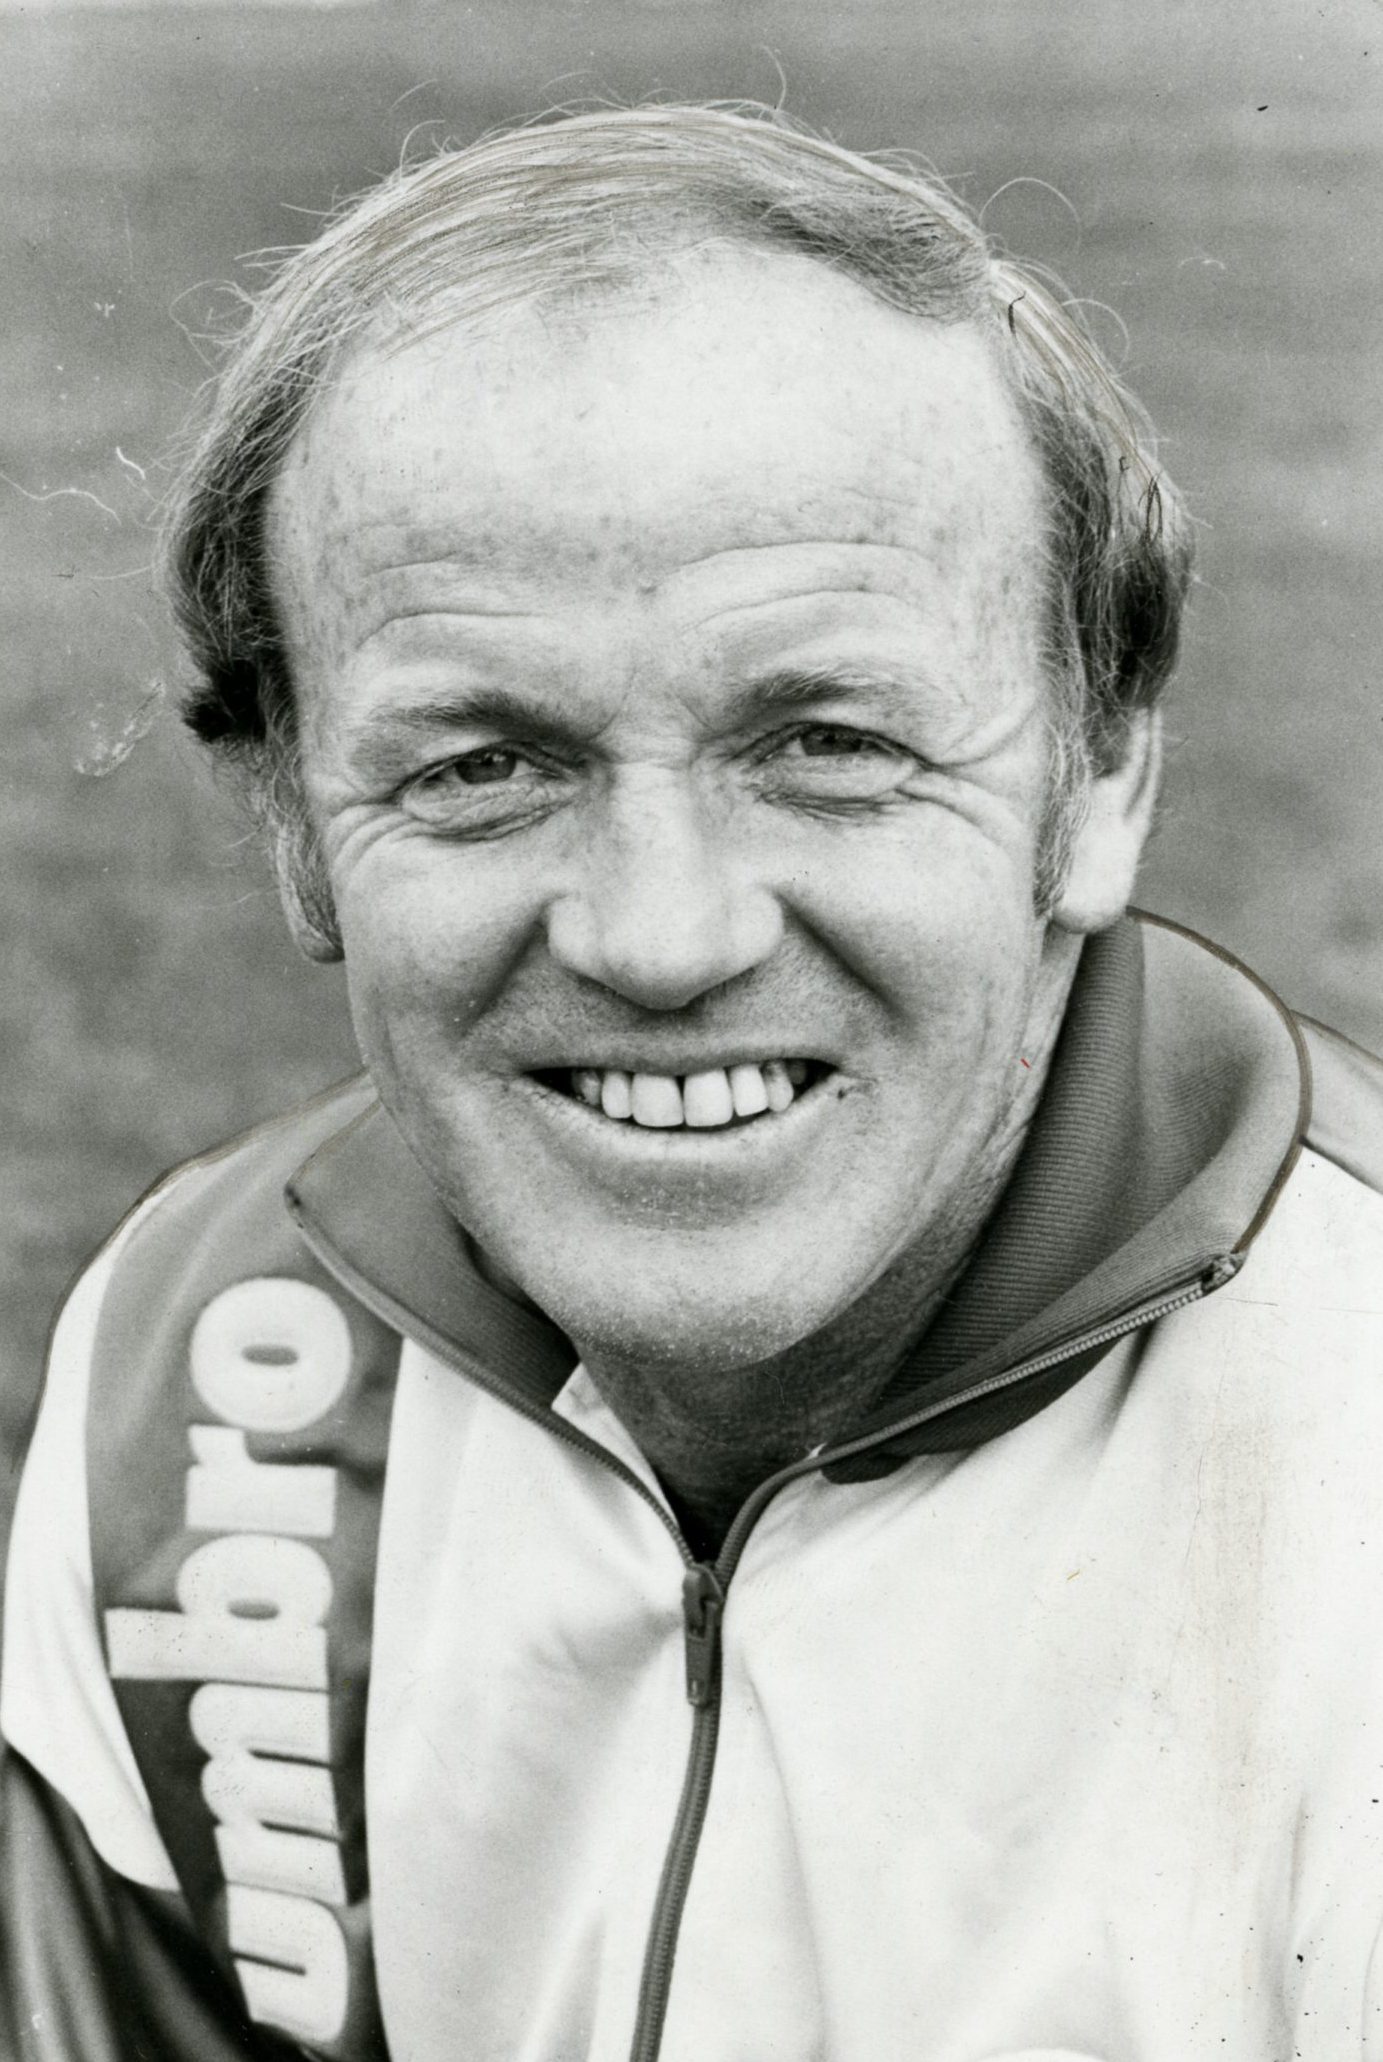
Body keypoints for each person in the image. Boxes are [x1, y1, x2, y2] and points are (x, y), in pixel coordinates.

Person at [3, 101, 1382, 2062]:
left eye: (823, 739)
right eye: (481, 762)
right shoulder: (200, 1355)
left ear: (1101, 763)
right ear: (292, 818)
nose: (659, 935)